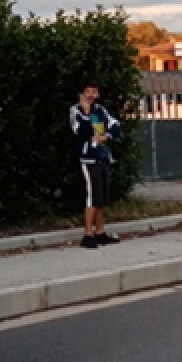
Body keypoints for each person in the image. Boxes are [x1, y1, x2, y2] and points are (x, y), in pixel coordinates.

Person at [69, 82, 122, 248]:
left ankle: (99, 232)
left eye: (94, 92)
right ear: (82, 94)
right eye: (87, 92)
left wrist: (105, 136)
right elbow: (80, 131)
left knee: (101, 197)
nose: (90, 95)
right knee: (91, 197)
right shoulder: (75, 110)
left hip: (102, 157)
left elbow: (115, 126)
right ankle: (87, 234)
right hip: (88, 159)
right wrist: (85, 112)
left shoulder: (100, 110)